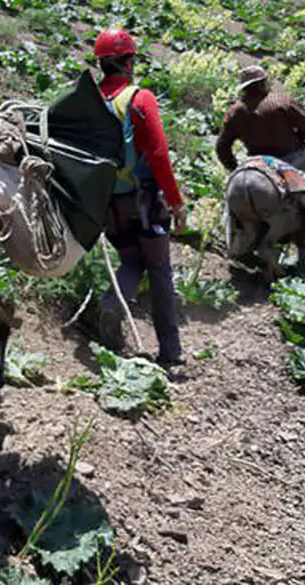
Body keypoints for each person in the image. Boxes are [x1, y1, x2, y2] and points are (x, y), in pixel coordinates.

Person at [91, 29, 188, 367]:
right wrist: (175, 201)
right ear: (129, 62)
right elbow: (159, 154)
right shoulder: (139, 98)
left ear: (101, 63)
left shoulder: (90, 100)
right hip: (143, 201)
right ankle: (170, 349)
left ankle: (111, 305)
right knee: (160, 269)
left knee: (132, 261)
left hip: (107, 204)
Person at [215, 65, 305, 186]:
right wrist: (300, 140)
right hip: (294, 156)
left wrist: (235, 169)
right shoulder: (281, 101)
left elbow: (222, 147)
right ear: (262, 83)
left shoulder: (234, 112)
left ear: (243, 88)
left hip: (259, 162)